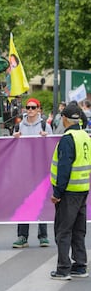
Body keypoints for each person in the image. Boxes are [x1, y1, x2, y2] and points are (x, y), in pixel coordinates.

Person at [49, 103, 91, 280]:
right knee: (78, 230)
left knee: (63, 231)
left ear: (64, 119)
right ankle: (80, 266)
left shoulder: (68, 139)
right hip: (83, 189)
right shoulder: (85, 136)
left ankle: (63, 269)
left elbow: (64, 168)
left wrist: (57, 193)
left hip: (69, 192)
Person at [12, 98, 53, 248]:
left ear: (39, 110)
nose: (30, 110)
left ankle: (43, 236)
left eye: (33, 107)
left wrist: (46, 138)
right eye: (28, 107)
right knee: (24, 203)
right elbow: (10, 149)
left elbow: (51, 146)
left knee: (40, 202)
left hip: (40, 168)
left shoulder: (45, 126)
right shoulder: (18, 126)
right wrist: (14, 139)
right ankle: (22, 236)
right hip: (23, 170)